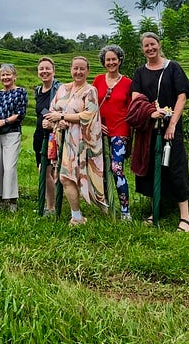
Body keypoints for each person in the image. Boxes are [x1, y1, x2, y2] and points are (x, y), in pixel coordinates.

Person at [129, 32, 189, 232]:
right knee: (150, 166)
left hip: (170, 127)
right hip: (149, 127)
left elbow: (182, 96)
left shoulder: (172, 67)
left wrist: (172, 123)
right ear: (143, 49)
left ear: (159, 44)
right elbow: (136, 98)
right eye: (146, 46)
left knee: (175, 166)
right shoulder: (140, 72)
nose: (150, 48)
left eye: (153, 44)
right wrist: (151, 112)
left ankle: (185, 217)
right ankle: (156, 207)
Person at [45, 56, 107, 226]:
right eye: (75, 68)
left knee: (80, 178)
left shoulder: (90, 90)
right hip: (64, 140)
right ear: (71, 70)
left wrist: (64, 116)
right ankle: (77, 216)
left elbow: (89, 114)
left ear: (87, 71)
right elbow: (52, 110)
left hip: (83, 142)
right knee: (66, 178)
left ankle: (104, 210)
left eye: (82, 69)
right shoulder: (63, 89)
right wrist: (59, 121)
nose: (78, 72)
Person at [93, 45, 132, 220]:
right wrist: (97, 123)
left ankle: (125, 209)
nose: (111, 62)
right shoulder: (98, 80)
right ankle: (105, 204)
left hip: (120, 130)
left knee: (117, 168)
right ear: (103, 62)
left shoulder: (128, 83)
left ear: (120, 60)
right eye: (108, 59)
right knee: (99, 169)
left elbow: (131, 108)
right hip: (99, 129)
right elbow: (91, 105)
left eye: (114, 59)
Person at [0, 63, 28, 212]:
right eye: (3, 75)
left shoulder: (20, 92)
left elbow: (20, 113)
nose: (5, 77)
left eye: (8, 74)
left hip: (11, 132)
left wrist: (3, 122)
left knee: (9, 166)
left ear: (14, 76)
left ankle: (11, 200)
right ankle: (0, 197)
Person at [33, 57, 60, 216]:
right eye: (41, 69)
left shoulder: (59, 90)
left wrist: (53, 123)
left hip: (52, 136)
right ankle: (48, 203)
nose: (44, 71)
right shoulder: (38, 91)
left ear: (53, 71)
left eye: (47, 68)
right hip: (39, 135)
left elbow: (63, 112)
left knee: (46, 171)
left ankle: (51, 207)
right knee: (42, 170)